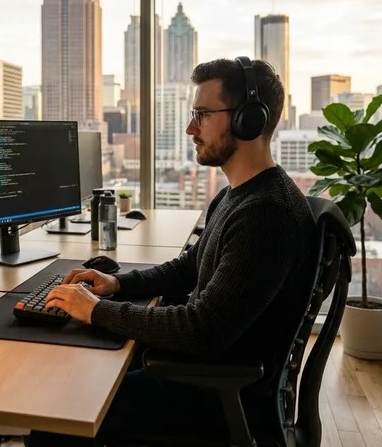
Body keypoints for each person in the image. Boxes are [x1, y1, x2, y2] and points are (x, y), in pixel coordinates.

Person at [24, 57, 317, 447]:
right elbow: (189, 268)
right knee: (80, 364)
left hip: (214, 398)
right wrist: (115, 284)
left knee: (61, 411)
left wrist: (94, 310)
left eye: (202, 114)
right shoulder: (238, 195)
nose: (190, 129)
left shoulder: (266, 214)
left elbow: (201, 328)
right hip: (202, 372)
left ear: (250, 119)